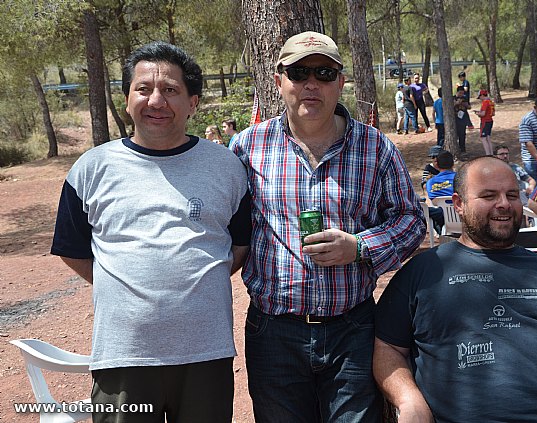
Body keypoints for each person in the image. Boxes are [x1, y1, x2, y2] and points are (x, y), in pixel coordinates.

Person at [230, 31, 426, 423]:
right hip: (273, 332)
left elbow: (411, 220)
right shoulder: (247, 147)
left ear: (340, 81)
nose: (310, 84)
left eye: (323, 73)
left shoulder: (375, 147)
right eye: (298, 72)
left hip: (352, 329)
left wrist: (360, 246)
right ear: (278, 81)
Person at [50, 41, 251, 423]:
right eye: (144, 89)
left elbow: (239, 247)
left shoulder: (227, 168)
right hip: (124, 355)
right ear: (127, 99)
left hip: (206, 355)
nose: (156, 100)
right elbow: (73, 250)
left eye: (171, 90)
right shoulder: (91, 169)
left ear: (193, 103)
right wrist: (124, 284)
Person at [373, 156, 537, 423]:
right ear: (458, 204)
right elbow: (388, 348)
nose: (504, 204)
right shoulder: (424, 270)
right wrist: (410, 402)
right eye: (489, 195)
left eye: (512, 194)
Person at [422, 150, 455, 235]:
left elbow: (433, 201)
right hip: (463, 218)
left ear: (437, 165)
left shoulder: (430, 183)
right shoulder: (461, 178)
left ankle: (441, 234)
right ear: (453, 163)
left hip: (444, 222)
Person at [474, 89, 495, 155]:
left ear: (482, 95)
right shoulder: (491, 102)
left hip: (485, 122)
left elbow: (483, 114)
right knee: (488, 138)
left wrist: (478, 113)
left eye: (480, 97)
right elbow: (493, 113)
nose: (480, 99)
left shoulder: (485, 102)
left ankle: (488, 154)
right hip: (490, 121)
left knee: (483, 138)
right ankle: (491, 153)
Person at [454, 86, 471, 153]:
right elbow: (450, 106)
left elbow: (469, 107)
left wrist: (465, 104)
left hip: (463, 119)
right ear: (457, 92)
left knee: (462, 135)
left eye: (462, 93)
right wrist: (456, 103)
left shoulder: (465, 98)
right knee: (456, 135)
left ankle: (463, 149)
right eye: (460, 93)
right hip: (455, 119)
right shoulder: (453, 98)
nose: (461, 94)